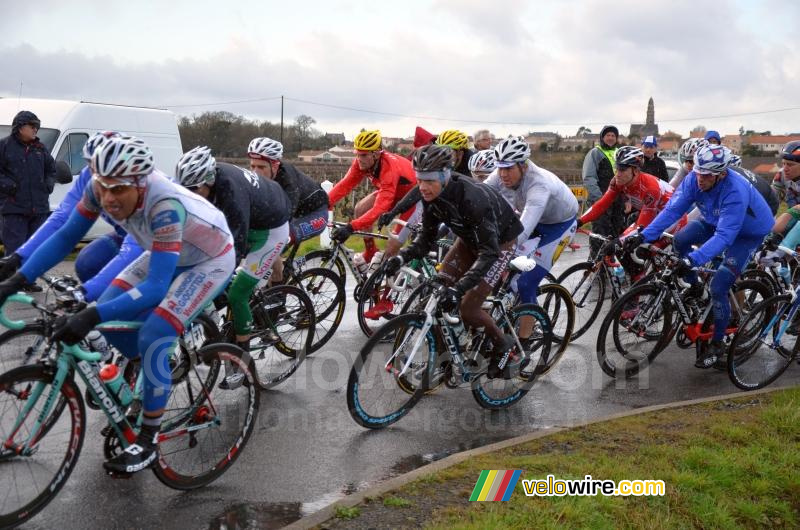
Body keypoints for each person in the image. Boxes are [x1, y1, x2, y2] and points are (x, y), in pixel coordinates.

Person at [0, 135, 235, 473]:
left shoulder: (164, 205)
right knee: (109, 320)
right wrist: (17, 279)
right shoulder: (100, 188)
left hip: (208, 260)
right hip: (165, 250)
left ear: (141, 184)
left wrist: (89, 314)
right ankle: (150, 376)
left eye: (119, 189)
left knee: (154, 333)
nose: (108, 197)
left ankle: (149, 437)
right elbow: (66, 235)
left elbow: (155, 287)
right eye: (103, 186)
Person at [625, 144, 773, 369]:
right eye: (697, 172)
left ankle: (717, 343)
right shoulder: (695, 178)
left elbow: (725, 236)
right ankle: (695, 287)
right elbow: (673, 211)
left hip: (747, 232)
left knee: (719, 286)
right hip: (714, 219)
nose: (699, 178)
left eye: (705, 175)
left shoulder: (735, 190)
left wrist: (693, 260)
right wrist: (644, 235)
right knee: (680, 241)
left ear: (721, 174)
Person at [385, 144, 524, 379]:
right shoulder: (430, 196)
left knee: (467, 308)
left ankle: (504, 344)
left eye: (429, 180)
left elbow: (489, 253)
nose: (423, 187)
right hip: (468, 240)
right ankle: (444, 361)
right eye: (420, 180)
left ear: (444, 175)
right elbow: (424, 242)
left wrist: (458, 290)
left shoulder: (472, 198)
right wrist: (400, 258)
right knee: (437, 295)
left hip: (498, 245)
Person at [0, 131, 146, 301]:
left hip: (155, 244)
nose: (97, 177)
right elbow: (62, 222)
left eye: (105, 169)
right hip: (124, 235)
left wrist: (84, 296)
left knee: (122, 298)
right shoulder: (90, 178)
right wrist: (19, 259)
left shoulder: (142, 188)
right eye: (92, 166)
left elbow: (134, 249)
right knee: (87, 263)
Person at [176, 145, 291, 353]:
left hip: (272, 229)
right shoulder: (200, 180)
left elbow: (235, 247)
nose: (188, 195)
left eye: (193, 190)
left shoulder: (231, 192)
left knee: (237, 293)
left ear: (209, 181)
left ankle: (241, 356)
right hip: (256, 212)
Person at [484, 135, 578, 302]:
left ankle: (531, 325)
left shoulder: (539, 184)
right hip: (538, 219)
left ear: (523, 166)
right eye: (500, 168)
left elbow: (522, 232)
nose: (503, 174)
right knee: (497, 272)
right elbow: (478, 196)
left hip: (559, 226)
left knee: (525, 284)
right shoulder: (500, 174)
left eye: (508, 168)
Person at [584, 146, 684, 283]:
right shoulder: (618, 181)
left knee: (638, 252)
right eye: (616, 168)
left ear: (635, 171)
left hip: (673, 220)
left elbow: (642, 226)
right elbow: (601, 205)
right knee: (626, 253)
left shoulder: (650, 188)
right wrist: (579, 221)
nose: (617, 173)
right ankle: (636, 289)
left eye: (622, 169)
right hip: (653, 217)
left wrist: (618, 241)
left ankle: (637, 299)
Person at [327, 130, 417, 274]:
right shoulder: (361, 163)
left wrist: (351, 227)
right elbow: (345, 185)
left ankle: (386, 296)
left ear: (376, 154)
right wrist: (325, 203)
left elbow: (380, 208)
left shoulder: (389, 168)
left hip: (412, 199)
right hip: (393, 192)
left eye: (363, 155)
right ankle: (370, 252)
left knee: (391, 250)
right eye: (357, 153)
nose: (358, 158)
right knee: (360, 209)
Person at [246, 137, 329, 284]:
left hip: (315, 214)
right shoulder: (255, 178)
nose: (255, 172)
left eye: (261, 167)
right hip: (298, 214)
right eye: (253, 166)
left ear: (275, 165)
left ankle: (278, 294)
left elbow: (284, 216)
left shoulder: (287, 180)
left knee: (273, 245)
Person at [0, 111, 56, 259]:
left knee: (35, 252)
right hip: (14, 211)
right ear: (20, 127)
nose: (35, 129)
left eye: (37, 126)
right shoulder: (4, 146)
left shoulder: (40, 148)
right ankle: (11, 282)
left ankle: (29, 281)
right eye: (32, 126)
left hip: (39, 211)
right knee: (14, 254)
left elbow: (52, 169)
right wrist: (9, 186)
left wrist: (48, 185)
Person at [582, 125, 624, 257]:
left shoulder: (620, 153)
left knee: (616, 235)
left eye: (613, 136)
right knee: (600, 235)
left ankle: (613, 266)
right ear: (602, 137)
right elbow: (589, 177)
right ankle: (595, 264)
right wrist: (599, 199)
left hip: (618, 202)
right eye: (608, 135)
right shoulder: (595, 153)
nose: (611, 138)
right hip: (600, 201)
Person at [771, 140, 800, 209]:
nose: (785, 169)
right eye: (784, 163)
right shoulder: (781, 174)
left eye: (790, 165)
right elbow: (770, 199)